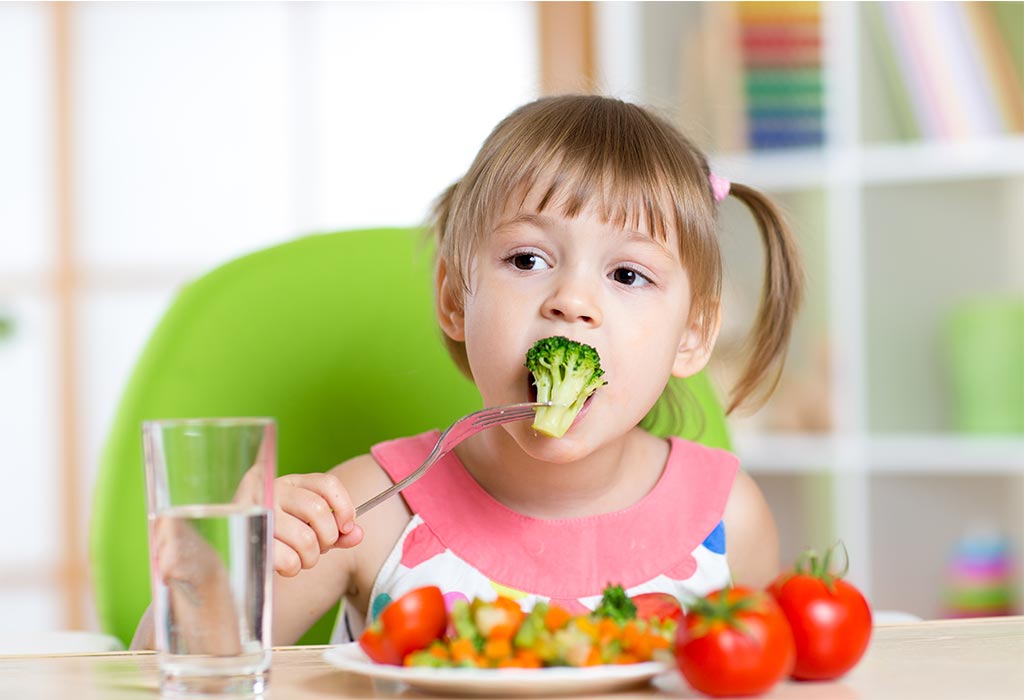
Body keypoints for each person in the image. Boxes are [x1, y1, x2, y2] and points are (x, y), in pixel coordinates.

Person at [132, 94, 802, 649]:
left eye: (627, 274)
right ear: (456, 298)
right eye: (528, 261)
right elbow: (172, 672)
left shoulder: (729, 518)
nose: (571, 301)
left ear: (693, 336)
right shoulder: (372, 509)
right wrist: (228, 563)